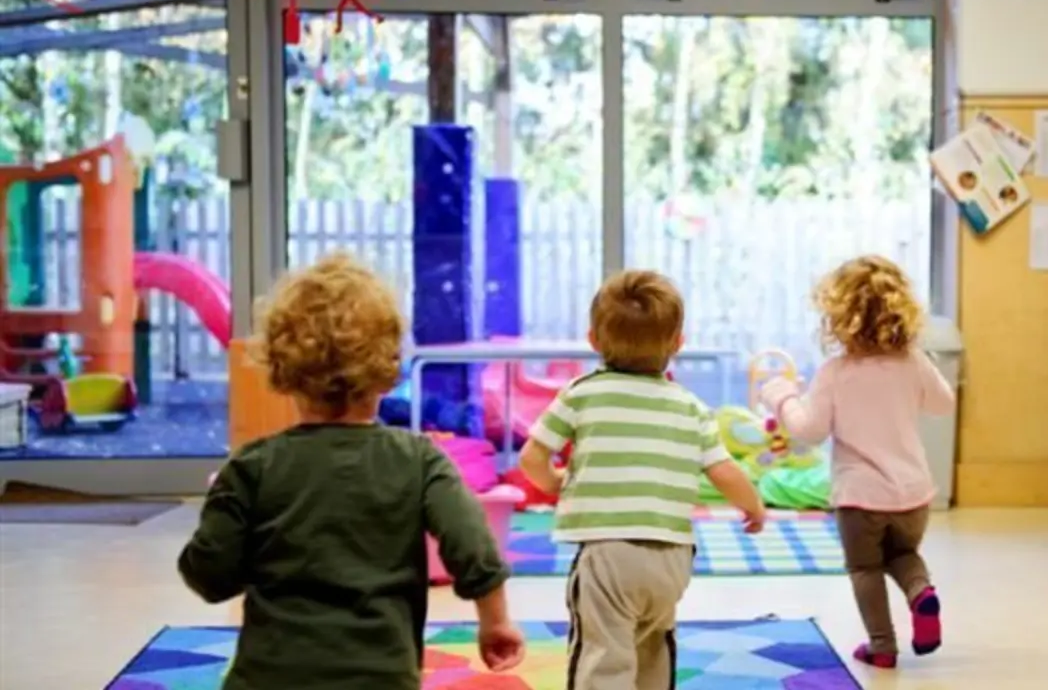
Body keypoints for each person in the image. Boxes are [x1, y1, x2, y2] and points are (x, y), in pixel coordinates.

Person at [177, 253, 525, 690]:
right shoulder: (419, 460)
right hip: (381, 678)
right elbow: (473, 544)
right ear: (387, 366)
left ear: (283, 367)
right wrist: (495, 621)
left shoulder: (251, 467)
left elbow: (209, 575)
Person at [518, 269, 767, 690]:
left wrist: (556, 484)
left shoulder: (581, 393)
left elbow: (532, 457)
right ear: (678, 343)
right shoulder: (690, 406)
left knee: (602, 653)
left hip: (608, 554)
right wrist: (753, 505)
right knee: (653, 642)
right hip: (672, 557)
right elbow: (724, 470)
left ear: (593, 340)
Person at [759, 255, 954, 670]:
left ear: (838, 319)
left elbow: (809, 430)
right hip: (913, 494)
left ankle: (882, 646)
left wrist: (783, 398)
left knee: (865, 567)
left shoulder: (836, 372)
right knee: (903, 555)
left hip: (860, 498)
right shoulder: (914, 362)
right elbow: (943, 404)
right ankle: (921, 594)